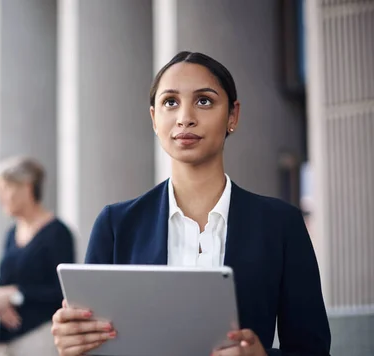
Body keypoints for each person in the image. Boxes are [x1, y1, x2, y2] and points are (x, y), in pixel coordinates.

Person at [50, 51, 331, 356]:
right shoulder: (117, 224)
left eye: (204, 101)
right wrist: (75, 345)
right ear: (154, 118)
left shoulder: (281, 225)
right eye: (170, 102)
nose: (185, 117)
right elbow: (99, 345)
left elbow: (312, 349)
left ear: (233, 116)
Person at [0, 156, 76, 356]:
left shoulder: (57, 233)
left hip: (40, 339)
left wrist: (17, 295)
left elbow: (62, 292)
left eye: (5, 189)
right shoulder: (11, 234)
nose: (0, 198)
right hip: (7, 342)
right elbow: (3, 284)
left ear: (27, 187)